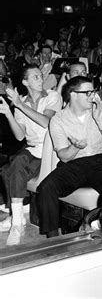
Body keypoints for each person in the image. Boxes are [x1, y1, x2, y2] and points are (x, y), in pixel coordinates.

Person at [37, 76, 102, 238]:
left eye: (93, 91)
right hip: (74, 164)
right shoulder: (58, 119)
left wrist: (99, 120)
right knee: (46, 187)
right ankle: (53, 238)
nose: (93, 96)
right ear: (73, 94)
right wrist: (75, 147)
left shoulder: (100, 110)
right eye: (88, 92)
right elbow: (64, 156)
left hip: (101, 161)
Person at [0, 65, 61, 245]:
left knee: (11, 167)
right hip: (33, 149)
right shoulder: (22, 103)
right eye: (35, 77)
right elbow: (20, 135)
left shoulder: (52, 96)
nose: (41, 79)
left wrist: (19, 105)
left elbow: (46, 122)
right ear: (25, 82)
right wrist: (9, 114)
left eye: (40, 76)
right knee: (11, 165)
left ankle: (17, 218)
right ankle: (18, 218)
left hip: (50, 151)